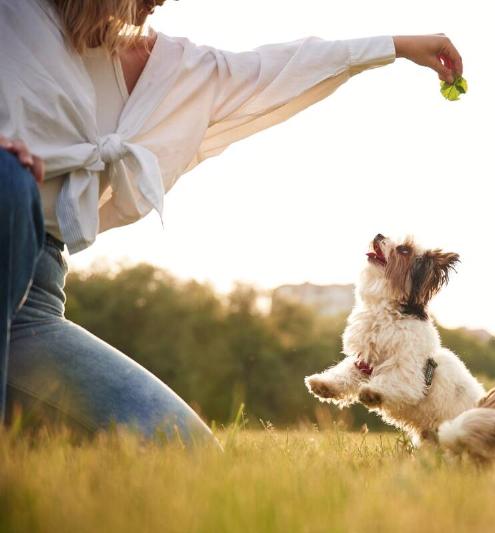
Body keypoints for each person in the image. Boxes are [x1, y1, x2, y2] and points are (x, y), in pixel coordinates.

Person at [0, 0, 465, 445]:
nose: (164, 1)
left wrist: (397, 45)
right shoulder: (18, 18)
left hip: (35, 294)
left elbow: (282, 65)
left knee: (183, 450)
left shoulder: (179, 69)